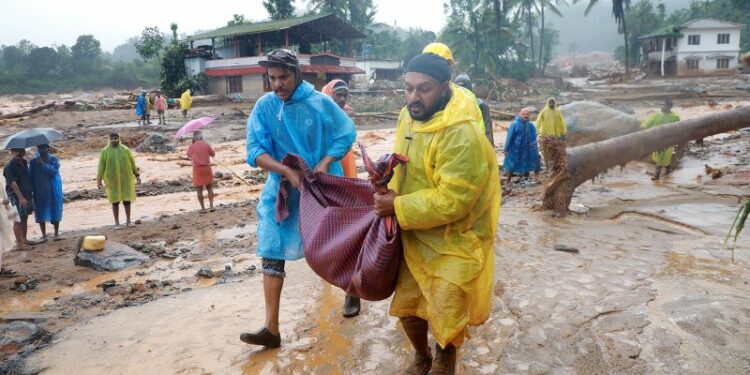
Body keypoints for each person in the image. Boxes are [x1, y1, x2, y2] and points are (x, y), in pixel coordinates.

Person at [373, 52, 501, 375]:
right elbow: (404, 158)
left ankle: (443, 363)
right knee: (409, 308)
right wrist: (386, 172)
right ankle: (421, 357)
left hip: (455, 238)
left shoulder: (461, 133)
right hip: (414, 233)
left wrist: (397, 206)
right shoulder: (407, 115)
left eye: (423, 89)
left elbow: (455, 200)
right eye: (408, 88)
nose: (414, 97)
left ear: (444, 88)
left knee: (447, 313)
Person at [241, 49, 356, 348]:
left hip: (321, 184)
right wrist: (285, 172)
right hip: (282, 189)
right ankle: (271, 329)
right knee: (271, 246)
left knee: (333, 242)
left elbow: (345, 134)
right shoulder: (265, 106)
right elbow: (254, 149)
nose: (277, 84)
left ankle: (352, 287)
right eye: (272, 78)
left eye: (283, 77)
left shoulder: (320, 103)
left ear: (298, 74)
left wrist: (321, 163)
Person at [321, 78, 361, 317]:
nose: (342, 98)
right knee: (328, 235)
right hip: (327, 177)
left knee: (348, 236)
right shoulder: (319, 116)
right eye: (338, 94)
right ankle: (331, 281)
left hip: (347, 176)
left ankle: (351, 292)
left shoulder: (346, 117)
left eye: (345, 94)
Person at [97, 133, 141, 228]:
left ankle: (128, 221)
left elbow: (132, 163)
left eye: (116, 138)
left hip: (125, 179)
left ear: (119, 139)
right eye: (112, 138)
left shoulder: (125, 150)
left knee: (127, 200)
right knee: (115, 202)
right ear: (109, 139)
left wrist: (137, 175)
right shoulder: (104, 151)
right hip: (112, 181)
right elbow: (101, 166)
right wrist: (99, 179)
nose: (114, 140)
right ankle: (117, 223)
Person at [29, 144, 63, 241]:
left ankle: (56, 234)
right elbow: (30, 175)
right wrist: (30, 189)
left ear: (48, 148)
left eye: (45, 148)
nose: (43, 150)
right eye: (40, 148)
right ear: (37, 149)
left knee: (55, 208)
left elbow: (53, 172)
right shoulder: (33, 161)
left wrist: (43, 164)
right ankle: (44, 235)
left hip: (53, 188)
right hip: (39, 188)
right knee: (40, 210)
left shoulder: (53, 159)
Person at [642, 99, 680, 180]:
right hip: (657, 139)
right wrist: (643, 127)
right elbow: (648, 122)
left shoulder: (674, 117)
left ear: (669, 107)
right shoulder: (657, 115)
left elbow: (677, 129)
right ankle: (668, 168)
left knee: (662, 156)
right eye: (662, 105)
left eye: (664, 105)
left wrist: (676, 140)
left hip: (668, 140)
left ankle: (656, 175)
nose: (662, 107)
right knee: (659, 157)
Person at [3, 148, 33, 250]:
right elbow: (13, 183)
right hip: (13, 196)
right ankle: (19, 244)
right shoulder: (9, 167)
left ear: (24, 152)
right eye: (16, 151)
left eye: (21, 151)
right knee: (17, 220)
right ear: (12, 152)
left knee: (24, 217)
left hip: (25, 194)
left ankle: (24, 239)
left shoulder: (24, 162)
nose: (18, 153)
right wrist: (20, 198)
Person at [453, 73, 495, 147]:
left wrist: (490, 148)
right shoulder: (450, 105)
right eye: (459, 87)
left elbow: (488, 130)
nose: (461, 89)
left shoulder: (480, 105)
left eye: (463, 86)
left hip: (475, 144)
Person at [504, 108, 542, 185]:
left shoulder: (530, 125)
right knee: (512, 163)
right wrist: (506, 148)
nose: (526, 116)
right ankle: (508, 180)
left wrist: (535, 145)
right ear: (520, 114)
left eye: (527, 114)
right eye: (524, 114)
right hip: (516, 148)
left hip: (528, 148)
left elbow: (534, 136)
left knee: (535, 160)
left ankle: (536, 178)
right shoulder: (514, 124)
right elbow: (509, 137)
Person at [536, 98, 568, 174]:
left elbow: (562, 122)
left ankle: (555, 167)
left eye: (553, 103)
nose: (552, 104)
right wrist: (538, 132)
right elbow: (538, 122)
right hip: (546, 135)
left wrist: (563, 132)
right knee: (546, 151)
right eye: (550, 103)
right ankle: (547, 166)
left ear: (555, 103)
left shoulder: (558, 112)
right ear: (548, 103)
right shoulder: (543, 111)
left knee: (556, 151)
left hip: (556, 135)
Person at [186, 131, 215, 212]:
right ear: (201, 137)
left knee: (199, 189)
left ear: (194, 138)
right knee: (209, 187)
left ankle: (203, 208)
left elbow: (188, 155)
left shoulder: (191, 146)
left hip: (197, 169)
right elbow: (213, 154)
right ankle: (211, 206)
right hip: (207, 168)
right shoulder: (206, 144)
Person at [0, 173, 17, 274]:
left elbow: (4, 195)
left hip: (2, 214)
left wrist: (11, 212)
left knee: (2, 242)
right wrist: (2, 201)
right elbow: (4, 199)